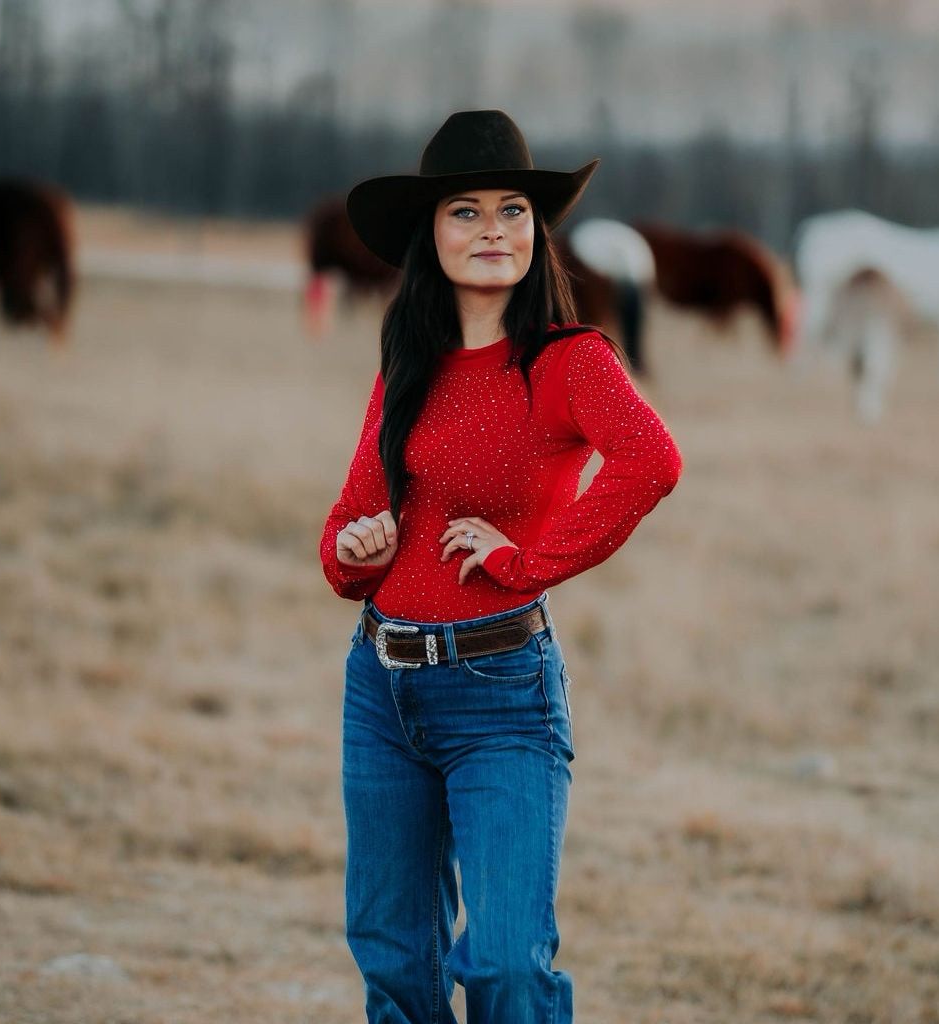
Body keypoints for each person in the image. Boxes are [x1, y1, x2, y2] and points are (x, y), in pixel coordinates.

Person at [319, 109, 682, 1024]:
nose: (492, 231)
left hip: (502, 694)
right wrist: (356, 551)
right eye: (466, 212)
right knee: (396, 959)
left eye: (513, 210)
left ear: (537, 230)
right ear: (428, 236)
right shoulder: (407, 361)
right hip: (383, 687)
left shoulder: (570, 361)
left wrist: (530, 561)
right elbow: (348, 522)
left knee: (509, 968)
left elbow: (653, 461)